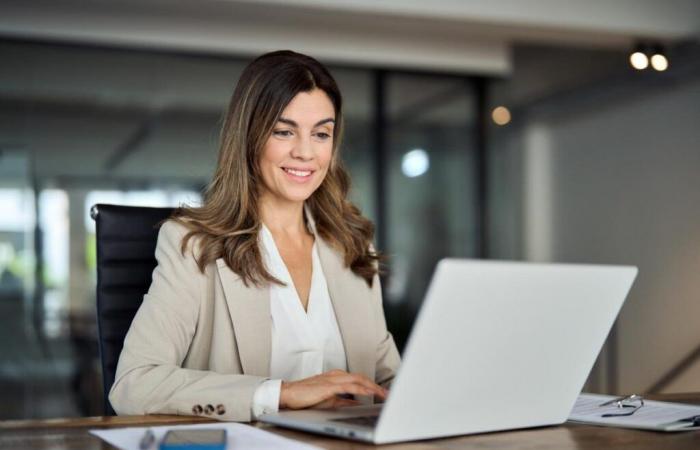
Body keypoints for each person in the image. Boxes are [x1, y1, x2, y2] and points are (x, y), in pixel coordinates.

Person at [109, 50, 401, 422]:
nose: (306, 152)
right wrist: (281, 394)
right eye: (284, 131)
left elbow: (386, 376)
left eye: (321, 133)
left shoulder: (351, 245)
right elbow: (135, 385)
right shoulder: (194, 244)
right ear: (249, 136)